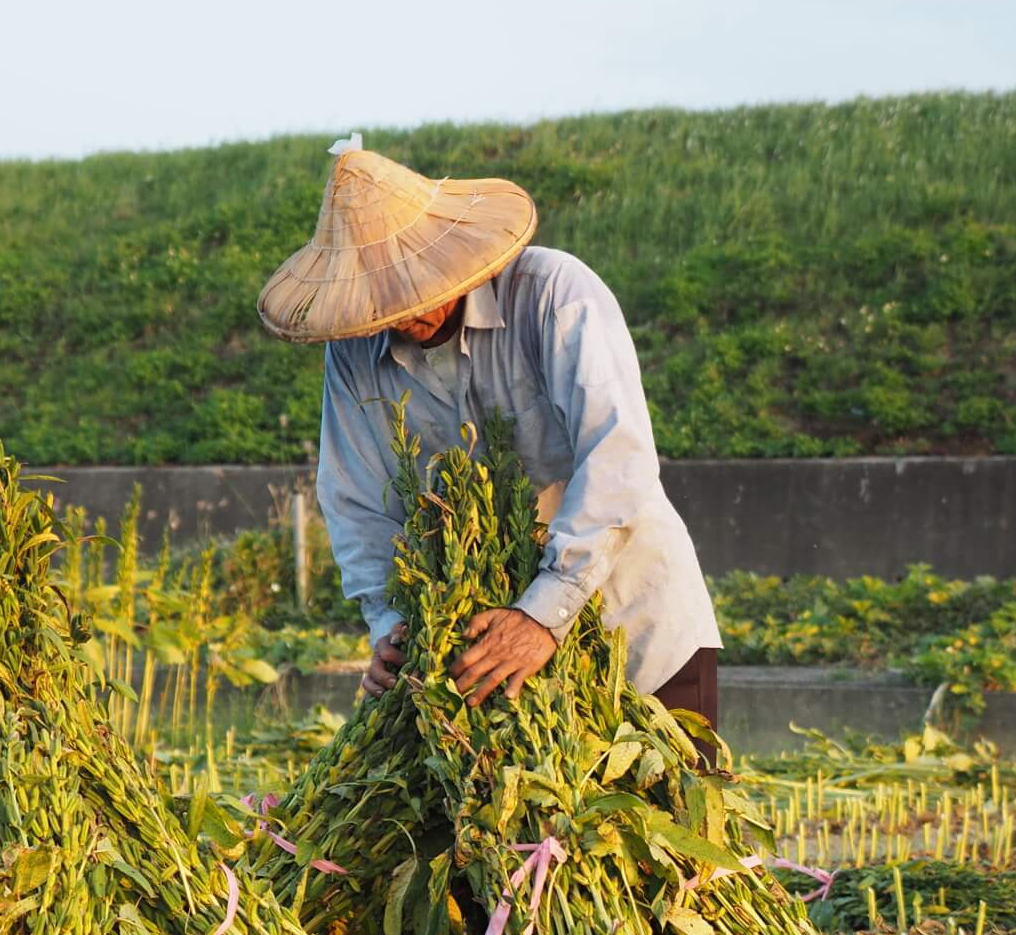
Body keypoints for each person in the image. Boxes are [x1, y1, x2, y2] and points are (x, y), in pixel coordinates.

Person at [257, 137, 720, 736]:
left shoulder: (553, 294)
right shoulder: (354, 354)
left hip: (631, 625)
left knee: (665, 822)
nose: (402, 312)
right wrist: (392, 627)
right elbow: (357, 501)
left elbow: (618, 458)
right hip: (488, 665)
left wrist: (541, 615)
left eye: (414, 285)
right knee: (525, 827)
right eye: (380, 297)